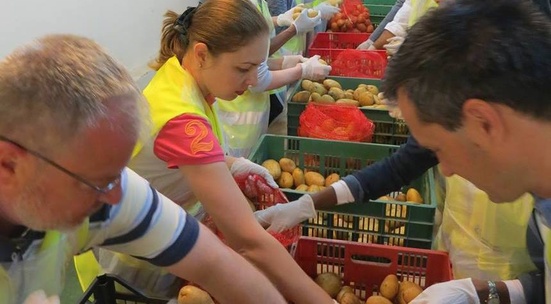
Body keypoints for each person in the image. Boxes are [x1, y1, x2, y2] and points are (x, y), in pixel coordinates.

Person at [0, 34, 287, 304]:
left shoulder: (99, 186)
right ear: (9, 164)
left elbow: (215, 263)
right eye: (95, 182)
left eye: (116, 174)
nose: (115, 197)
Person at [96, 0, 334, 302]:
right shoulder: (181, 117)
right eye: (243, 69)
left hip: (166, 238)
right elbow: (249, 243)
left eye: (257, 67)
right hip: (142, 266)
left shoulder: (183, 76)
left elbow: (170, 157)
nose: (252, 81)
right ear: (202, 53)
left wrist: (230, 163)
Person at [382, 0, 551, 302]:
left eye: (439, 149)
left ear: (484, 122)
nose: (444, 170)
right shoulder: (542, 200)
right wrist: (486, 292)